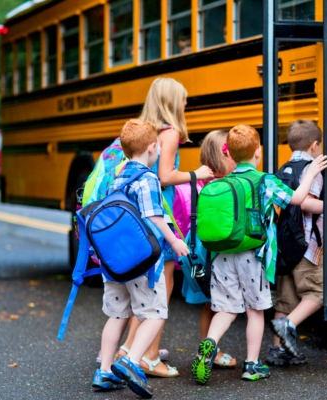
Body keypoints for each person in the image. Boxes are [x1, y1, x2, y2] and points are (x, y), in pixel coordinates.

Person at [191, 124, 327, 384]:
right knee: (255, 311)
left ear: (229, 155)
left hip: (222, 255)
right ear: (258, 151)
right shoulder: (265, 180)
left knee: (226, 310)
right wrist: (310, 173)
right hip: (252, 256)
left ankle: (209, 343)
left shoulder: (223, 181)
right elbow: (298, 199)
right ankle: (252, 365)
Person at [116, 77, 214, 377]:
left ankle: (128, 349)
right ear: (173, 102)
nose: (186, 104)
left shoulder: (146, 129)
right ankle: (149, 357)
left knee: (146, 289)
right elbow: (165, 176)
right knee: (162, 287)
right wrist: (195, 173)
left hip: (140, 216)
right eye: (183, 99)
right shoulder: (169, 133)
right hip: (163, 212)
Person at [92, 119, 189, 398]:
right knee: (157, 313)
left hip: (114, 261)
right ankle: (131, 361)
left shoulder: (116, 175)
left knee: (117, 314)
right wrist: (175, 240)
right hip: (142, 262)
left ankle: (106, 370)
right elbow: (153, 216)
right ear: (151, 148)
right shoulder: (147, 178)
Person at [267, 119, 327, 366]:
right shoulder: (314, 167)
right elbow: (307, 202)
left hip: (284, 245)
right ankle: (286, 326)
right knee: (318, 292)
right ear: (315, 145)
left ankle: (278, 350)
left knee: (285, 300)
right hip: (306, 246)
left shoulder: (285, 169)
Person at [178, 130, 238, 367]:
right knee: (220, 303)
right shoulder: (223, 186)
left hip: (198, 250)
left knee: (208, 303)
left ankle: (206, 347)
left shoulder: (202, 183)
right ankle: (212, 349)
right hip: (214, 251)